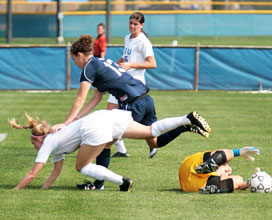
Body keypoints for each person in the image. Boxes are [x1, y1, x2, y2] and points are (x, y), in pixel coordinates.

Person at [51, 34, 211, 190]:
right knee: (154, 142)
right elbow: (96, 98)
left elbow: (80, 99)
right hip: (146, 99)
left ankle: (98, 184)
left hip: (133, 103)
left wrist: (65, 123)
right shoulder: (102, 61)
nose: (75, 63)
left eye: (74, 59)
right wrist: (77, 118)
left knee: (105, 144)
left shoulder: (88, 67)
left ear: (79, 55)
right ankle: (185, 126)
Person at [9, 109, 210, 190]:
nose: (34, 146)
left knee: (82, 167)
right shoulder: (55, 143)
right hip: (105, 116)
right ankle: (186, 118)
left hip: (93, 126)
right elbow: (56, 171)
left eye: (33, 142)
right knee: (150, 131)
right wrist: (43, 190)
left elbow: (33, 174)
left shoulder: (49, 143)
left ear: (40, 138)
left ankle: (122, 181)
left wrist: (15, 190)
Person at [110, 12, 157, 158]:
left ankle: (153, 144)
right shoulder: (127, 38)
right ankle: (121, 150)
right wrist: (114, 65)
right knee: (110, 114)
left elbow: (152, 63)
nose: (132, 26)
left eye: (135, 24)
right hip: (121, 83)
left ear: (142, 25)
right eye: (130, 23)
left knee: (126, 123)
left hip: (134, 88)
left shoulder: (144, 42)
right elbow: (126, 56)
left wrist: (132, 65)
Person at [178, 147, 260, 194]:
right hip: (189, 168)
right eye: (227, 169)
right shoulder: (213, 155)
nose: (227, 173)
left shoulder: (214, 177)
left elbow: (237, 184)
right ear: (222, 163)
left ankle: (216, 187)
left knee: (239, 180)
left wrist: (250, 182)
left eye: (228, 174)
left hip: (194, 185)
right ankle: (210, 163)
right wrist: (238, 152)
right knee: (225, 153)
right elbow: (222, 152)